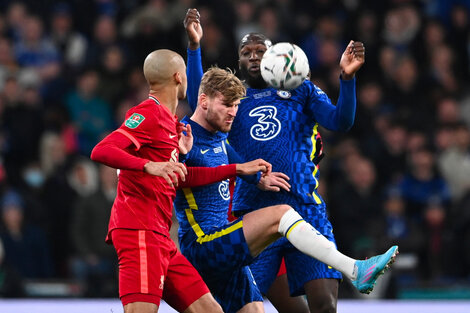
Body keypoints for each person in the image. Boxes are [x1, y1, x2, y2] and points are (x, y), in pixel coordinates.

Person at [184, 8, 391, 312]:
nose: (253, 56)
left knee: (325, 306)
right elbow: (196, 105)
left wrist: (347, 78)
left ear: (274, 57)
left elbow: (340, 121)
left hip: (304, 207)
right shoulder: (233, 101)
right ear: (239, 61)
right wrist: (194, 48)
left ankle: (353, 271)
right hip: (251, 213)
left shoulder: (301, 90)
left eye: (260, 50)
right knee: (247, 307)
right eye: (246, 52)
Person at [90, 49, 270, 313]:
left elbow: (184, 178)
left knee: (211, 310)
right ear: (178, 77)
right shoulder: (148, 113)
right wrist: (148, 165)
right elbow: (102, 150)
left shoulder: (171, 124)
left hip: (162, 237)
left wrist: (192, 158)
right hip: (139, 230)